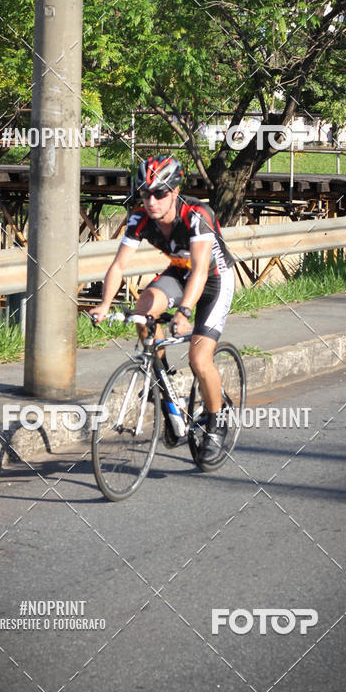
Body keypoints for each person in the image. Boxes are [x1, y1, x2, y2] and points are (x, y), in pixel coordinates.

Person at [89, 155, 236, 463]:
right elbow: (118, 266)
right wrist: (103, 305)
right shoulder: (139, 218)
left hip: (213, 280)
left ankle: (216, 418)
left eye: (159, 193)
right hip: (180, 274)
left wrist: (184, 312)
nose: (151, 200)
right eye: (145, 193)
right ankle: (165, 386)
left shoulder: (197, 215)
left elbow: (200, 271)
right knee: (143, 310)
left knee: (199, 358)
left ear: (175, 191)